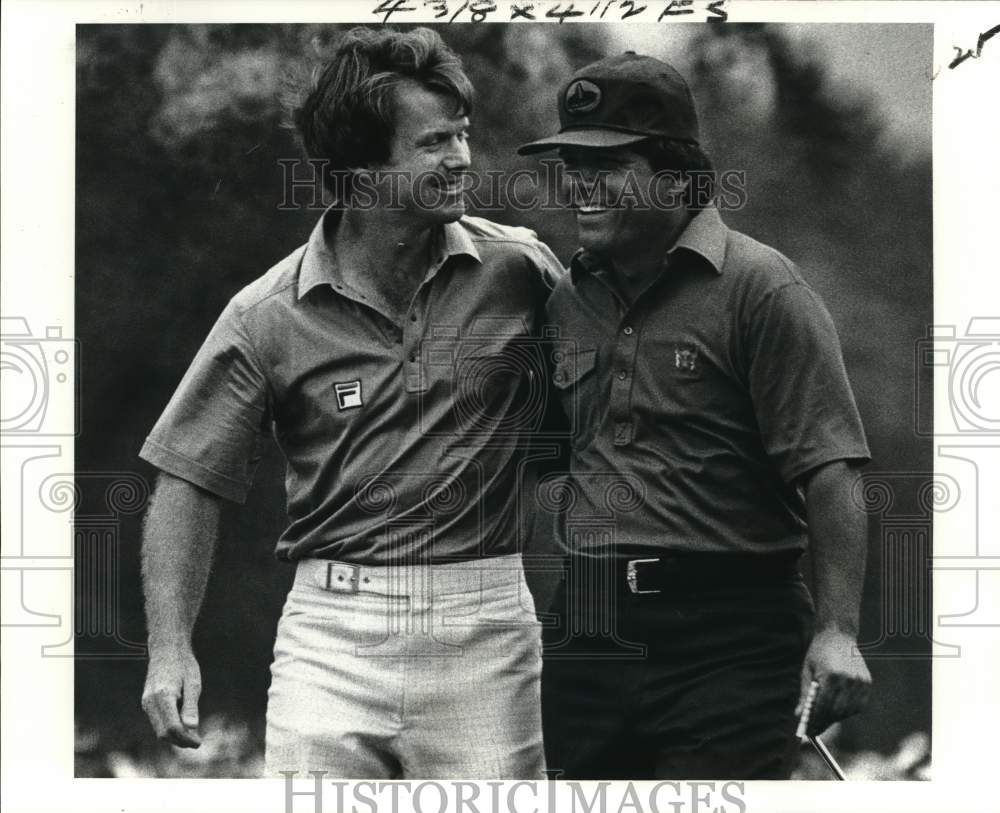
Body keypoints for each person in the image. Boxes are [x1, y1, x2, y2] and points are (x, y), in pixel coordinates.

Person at [139, 27, 562, 779]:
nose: (461, 158)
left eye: (462, 134)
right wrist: (170, 649)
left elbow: (606, 413)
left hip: (487, 626)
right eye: (434, 142)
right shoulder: (266, 312)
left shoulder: (523, 271)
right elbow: (189, 479)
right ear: (361, 171)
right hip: (330, 636)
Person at [518, 52, 873, 780]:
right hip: (590, 629)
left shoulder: (762, 288)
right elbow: (536, 465)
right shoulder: (564, 301)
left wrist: (838, 631)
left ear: (677, 176)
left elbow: (832, 470)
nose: (580, 187)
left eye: (607, 167)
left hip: (731, 635)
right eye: (572, 167)